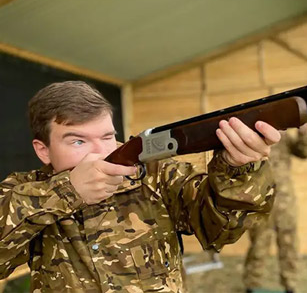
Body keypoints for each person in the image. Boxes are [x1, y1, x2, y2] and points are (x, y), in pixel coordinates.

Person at [0, 81, 281, 292]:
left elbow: (221, 228)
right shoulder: (27, 189)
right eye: (78, 141)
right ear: (43, 150)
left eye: (108, 137)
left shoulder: (154, 174)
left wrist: (237, 169)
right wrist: (67, 191)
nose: (100, 154)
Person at [243, 124, 307, 293]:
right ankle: (252, 285)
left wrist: (304, 133)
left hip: (285, 200)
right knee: (258, 244)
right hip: (259, 199)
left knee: (289, 242)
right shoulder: (253, 138)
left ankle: (290, 284)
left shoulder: (284, 138)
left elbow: (305, 152)